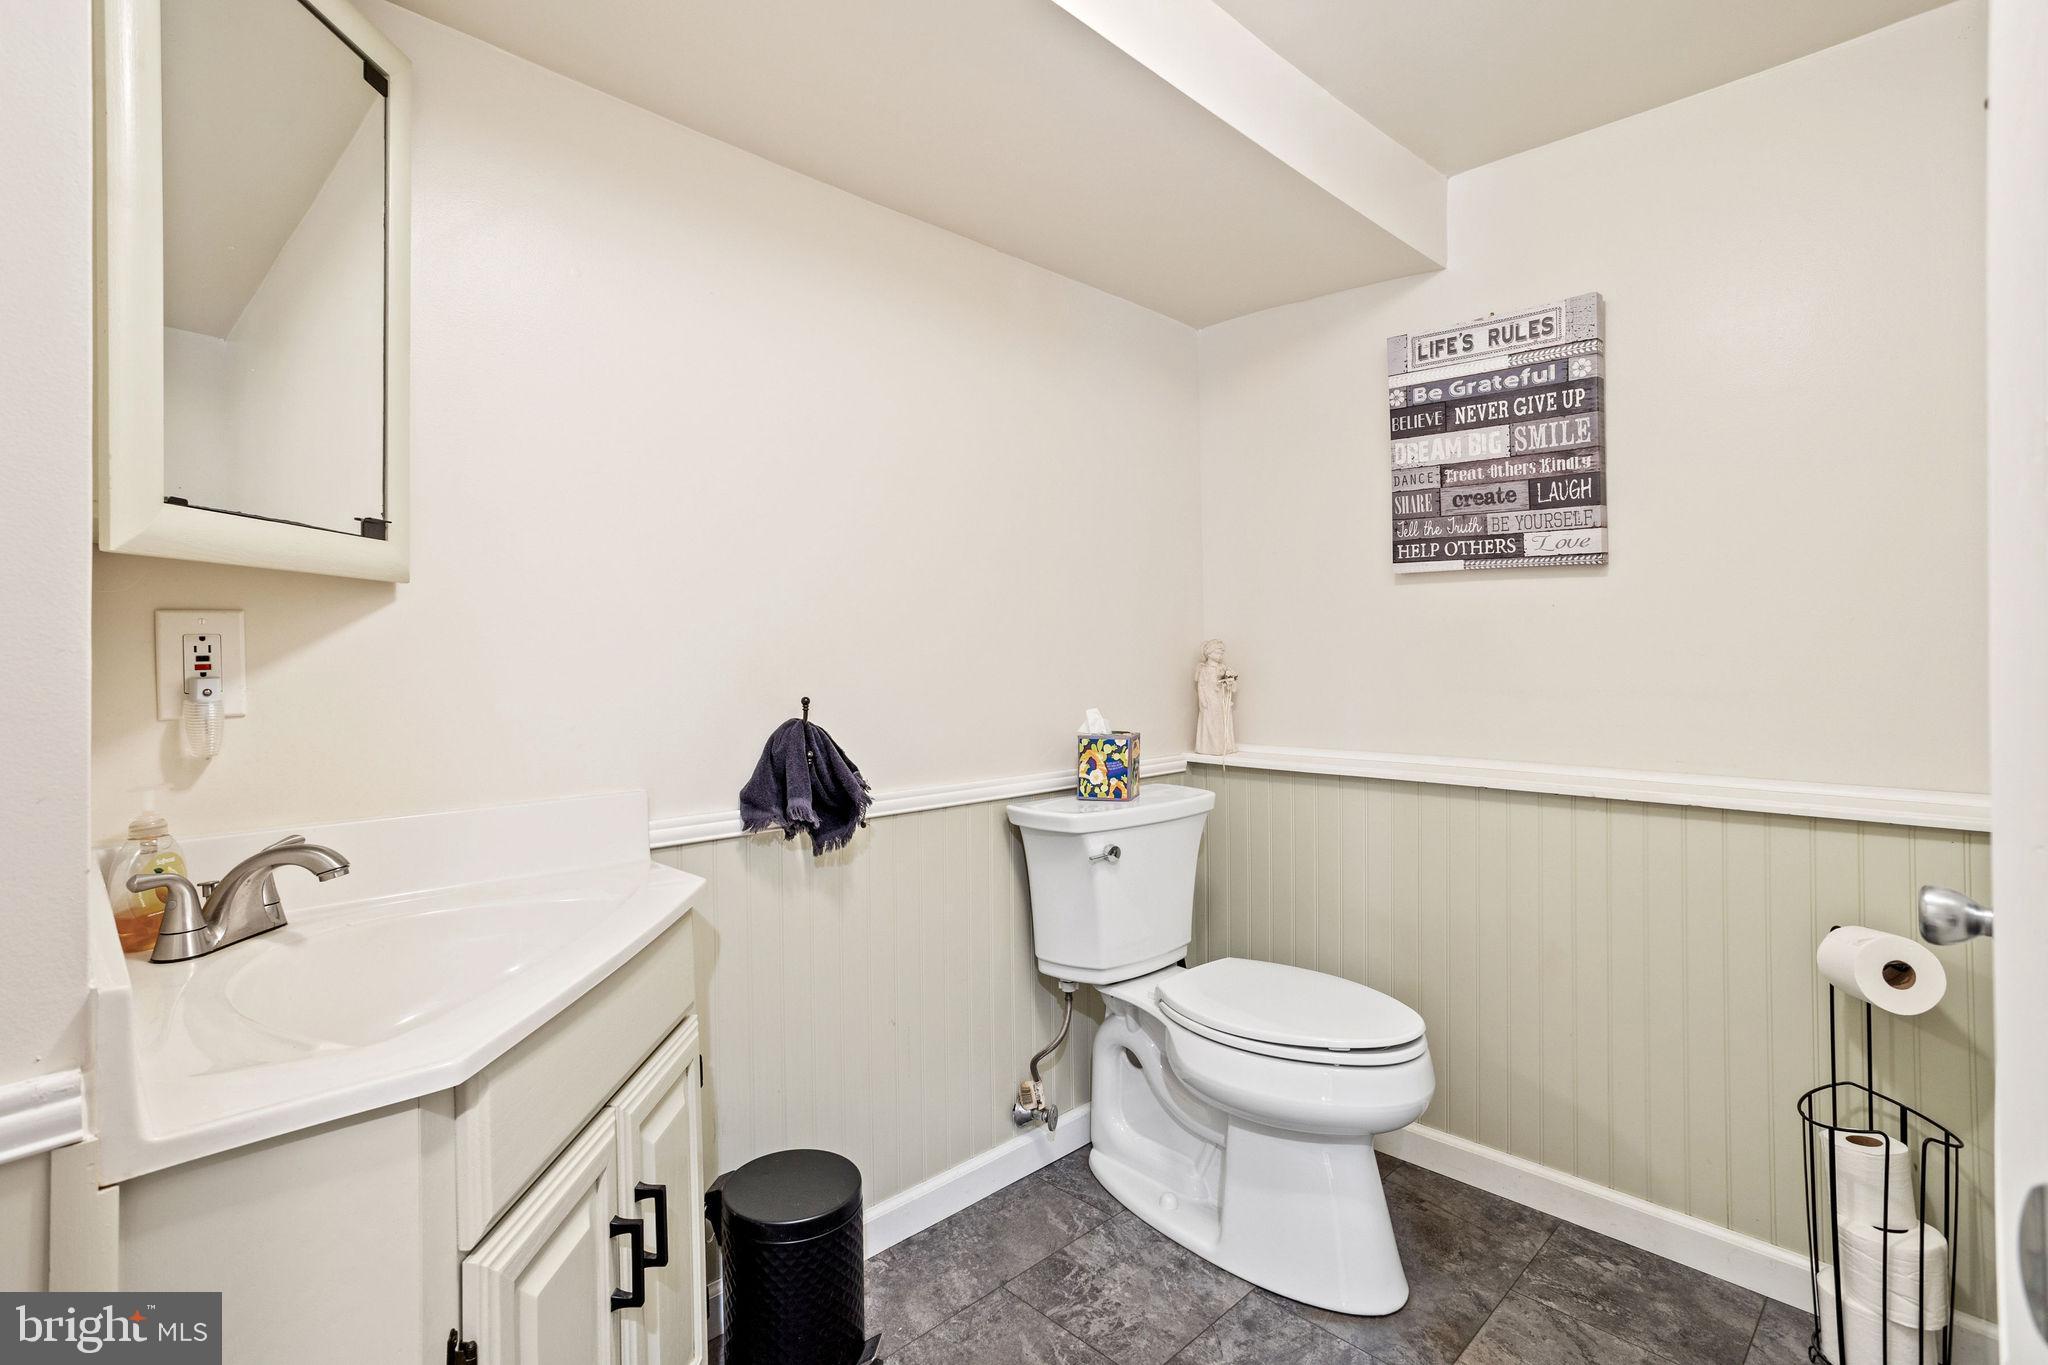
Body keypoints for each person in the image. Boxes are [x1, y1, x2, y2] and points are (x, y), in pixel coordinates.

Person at [1194, 639, 1237, 755]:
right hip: (1210, 698)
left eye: (1222, 653)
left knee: (1222, 720)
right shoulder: (1204, 669)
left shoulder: (1222, 668)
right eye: (1218, 653)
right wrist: (1202, 699)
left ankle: (1224, 745)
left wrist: (1229, 682)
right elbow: (1201, 686)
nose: (1220, 656)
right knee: (1211, 721)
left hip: (1220, 698)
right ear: (1209, 653)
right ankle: (1212, 746)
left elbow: (1227, 685)